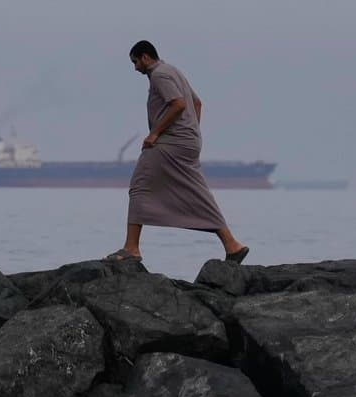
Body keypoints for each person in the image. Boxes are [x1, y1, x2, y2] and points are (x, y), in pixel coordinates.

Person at [106, 40, 249, 264]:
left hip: (170, 142)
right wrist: (191, 133)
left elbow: (179, 104)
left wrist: (155, 133)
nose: (135, 68)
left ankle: (131, 248)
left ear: (145, 57)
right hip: (188, 142)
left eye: (135, 62)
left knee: (140, 185)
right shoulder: (173, 70)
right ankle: (232, 245)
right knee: (197, 192)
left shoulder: (159, 75)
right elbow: (197, 103)